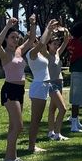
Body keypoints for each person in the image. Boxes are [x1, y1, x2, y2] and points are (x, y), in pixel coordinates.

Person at [0, 15, 36, 161]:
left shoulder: (19, 51)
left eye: (17, 38)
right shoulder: (4, 54)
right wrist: (6, 27)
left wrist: (32, 24)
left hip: (20, 90)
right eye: (12, 37)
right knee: (18, 126)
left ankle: (13, 157)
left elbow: (31, 40)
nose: (15, 40)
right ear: (6, 39)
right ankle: (6, 160)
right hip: (9, 90)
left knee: (13, 126)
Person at [27, 19, 59, 153]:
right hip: (39, 87)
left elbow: (44, 44)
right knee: (36, 120)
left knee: (38, 119)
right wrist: (48, 29)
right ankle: (31, 146)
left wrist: (50, 31)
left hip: (43, 87)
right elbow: (42, 43)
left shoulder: (40, 54)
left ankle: (32, 145)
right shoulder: (32, 54)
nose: (36, 42)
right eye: (33, 40)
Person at [47, 27, 70, 141]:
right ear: (49, 44)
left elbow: (66, 40)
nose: (56, 46)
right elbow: (40, 45)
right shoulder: (46, 55)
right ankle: (57, 133)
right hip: (51, 84)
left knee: (53, 109)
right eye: (54, 44)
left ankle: (50, 132)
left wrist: (64, 30)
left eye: (57, 44)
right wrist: (49, 31)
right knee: (63, 109)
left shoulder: (57, 54)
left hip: (60, 83)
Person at [67, 20, 82, 134]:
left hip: (77, 72)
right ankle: (74, 125)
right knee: (76, 99)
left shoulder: (72, 41)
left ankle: (76, 120)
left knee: (78, 98)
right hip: (78, 73)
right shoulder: (78, 42)